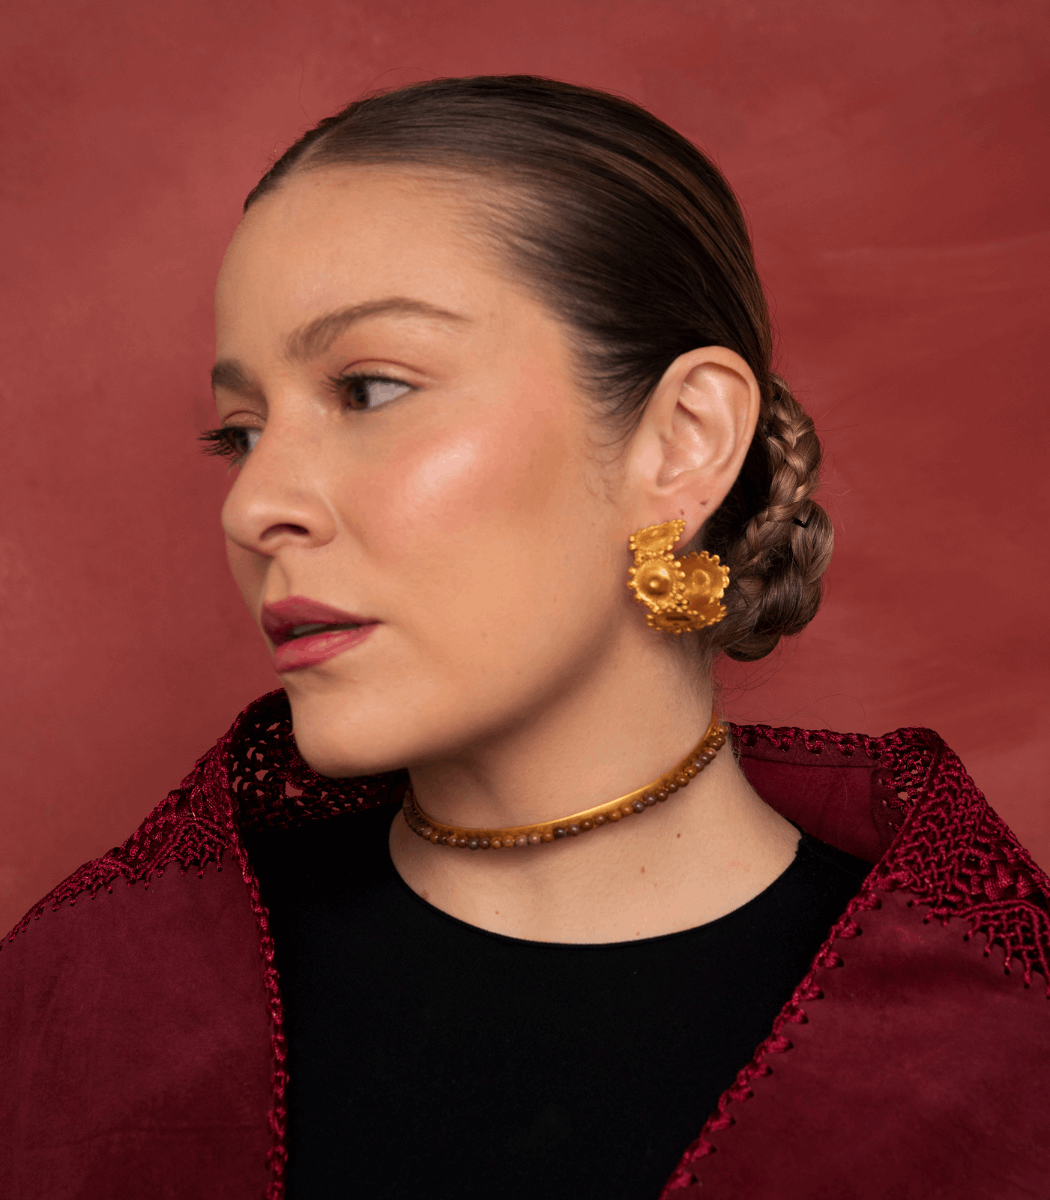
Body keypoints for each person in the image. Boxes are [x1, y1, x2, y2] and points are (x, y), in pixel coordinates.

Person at [2, 75, 1047, 1200]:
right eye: (240, 433)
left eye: (369, 389)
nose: (253, 507)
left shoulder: (999, 1052)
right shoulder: (83, 1010)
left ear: (684, 442)